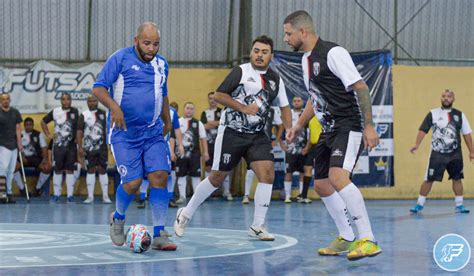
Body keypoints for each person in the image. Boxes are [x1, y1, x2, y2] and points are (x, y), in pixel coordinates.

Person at [283, 10, 381, 260]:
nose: (285, 39)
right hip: (328, 130)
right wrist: (299, 126)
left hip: (347, 125)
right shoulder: (306, 60)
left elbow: (361, 87)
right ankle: (347, 237)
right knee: (323, 186)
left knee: (338, 177)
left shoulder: (333, 53)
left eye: (288, 33)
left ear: (302, 32)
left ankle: (368, 239)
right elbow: (313, 99)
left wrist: (369, 126)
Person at [174, 35, 291, 241]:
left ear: (271, 56)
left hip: (257, 135)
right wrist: (244, 108)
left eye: (264, 52)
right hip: (232, 132)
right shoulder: (241, 71)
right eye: (256, 51)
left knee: (267, 173)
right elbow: (219, 95)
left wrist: (290, 128)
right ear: (251, 52)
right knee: (217, 177)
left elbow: (284, 107)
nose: (259, 55)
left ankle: (257, 225)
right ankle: (185, 214)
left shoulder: (275, 79)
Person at [92, 22, 177, 251]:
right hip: (124, 134)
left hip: (152, 131)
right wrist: (114, 107)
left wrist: (167, 119)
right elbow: (98, 88)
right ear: (136, 40)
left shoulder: (162, 65)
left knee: (159, 175)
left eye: (156, 44)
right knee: (132, 183)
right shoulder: (120, 59)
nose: (151, 48)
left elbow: (163, 93)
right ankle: (118, 218)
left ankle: (160, 233)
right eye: (147, 43)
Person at [410, 89, 473, 213]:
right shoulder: (433, 113)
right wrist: (417, 144)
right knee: (429, 179)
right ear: (441, 98)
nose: (446, 98)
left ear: (453, 99)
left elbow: (467, 134)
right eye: (444, 96)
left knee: (457, 178)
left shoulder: (460, 115)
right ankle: (419, 204)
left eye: (449, 96)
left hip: (455, 154)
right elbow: (423, 130)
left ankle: (459, 205)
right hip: (437, 154)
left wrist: (472, 151)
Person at [138, 104, 184, 209]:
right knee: (146, 173)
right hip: (147, 145)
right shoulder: (147, 107)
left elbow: (176, 129)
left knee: (167, 173)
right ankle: (142, 198)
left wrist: (180, 145)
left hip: (164, 146)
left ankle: (170, 198)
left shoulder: (172, 111)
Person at [41, 93, 79, 203]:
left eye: (68, 99)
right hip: (58, 147)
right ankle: (56, 194)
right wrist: (48, 135)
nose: (66, 101)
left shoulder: (75, 112)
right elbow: (43, 122)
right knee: (57, 170)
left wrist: (77, 139)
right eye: (64, 99)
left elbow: (78, 128)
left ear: (71, 101)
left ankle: (70, 196)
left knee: (70, 170)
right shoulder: (55, 111)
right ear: (60, 101)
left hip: (71, 147)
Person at [77, 95, 112, 204]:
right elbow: (79, 132)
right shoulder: (84, 115)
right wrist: (80, 147)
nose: (92, 103)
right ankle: (90, 197)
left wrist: (111, 145)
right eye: (90, 101)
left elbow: (109, 130)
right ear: (87, 103)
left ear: (97, 101)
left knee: (103, 169)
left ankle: (105, 197)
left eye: (94, 101)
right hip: (88, 148)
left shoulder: (104, 114)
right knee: (90, 170)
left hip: (102, 148)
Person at [201, 92, 233, 201]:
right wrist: (216, 123)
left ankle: (226, 191)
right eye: (210, 99)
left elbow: (224, 123)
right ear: (208, 100)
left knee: (225, 167)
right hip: (209, 145)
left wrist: (211, 123)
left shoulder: (222, 111)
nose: (212, 101)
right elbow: (204, 126)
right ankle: (207, 193)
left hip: (222, 144)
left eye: (214, 99)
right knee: (209, 168)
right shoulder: (204, 113)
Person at [175, 102, 209, 204]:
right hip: (181, 154)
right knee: (181, 175)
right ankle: (182, 197)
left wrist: (206, 152)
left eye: (191, 108)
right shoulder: (178, 122)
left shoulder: (198, 123)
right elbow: (173, 137)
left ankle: (196, 198)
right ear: (184, 109)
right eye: (187, 108)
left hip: (195, 154)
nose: (189, 110)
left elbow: (203, 139)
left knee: (196, 176)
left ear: (194, 110)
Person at [13, 117, 52, 197]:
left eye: (30, 125)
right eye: (26, 125)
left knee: (47, 168)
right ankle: (23, 189)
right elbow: (15, 148)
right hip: (22, 158)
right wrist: (20, 157)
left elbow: (44, 148)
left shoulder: (39, 134)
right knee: (13, 168)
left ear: (33, 125)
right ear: (24, 125)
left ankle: (37, 189)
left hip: (35, 158)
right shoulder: (20, 134)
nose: (28, 126)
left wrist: (45, 159)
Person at [281, 96, 309, 203]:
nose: (297, 103)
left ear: (302, 102)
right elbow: (279, 128)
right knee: (288, 172)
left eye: (299, 101)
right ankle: (288, 196)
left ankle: (302, 195)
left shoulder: (306, 114)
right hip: (290, 148)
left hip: (303, 148)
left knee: (303, 172)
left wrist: (307, 146)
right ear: (292, 103)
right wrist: (280, 143)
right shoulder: (288, 114)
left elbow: (310, 129)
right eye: (295, 101)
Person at [0, 93, 23, 203]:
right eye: (3, 99)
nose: (5, 101)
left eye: (7, 99)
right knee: (3, 168)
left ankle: (9, 192)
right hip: (2, 145)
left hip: (13, 145)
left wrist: (19, 143)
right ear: (0, 101)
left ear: (10, 100)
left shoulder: (15, 112)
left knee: (11, 170)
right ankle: (2, 193)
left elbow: (18, 128)